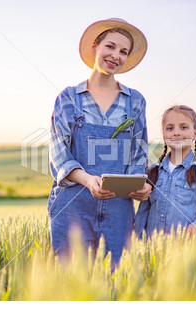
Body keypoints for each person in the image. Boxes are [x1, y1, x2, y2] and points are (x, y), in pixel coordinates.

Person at [48, 18, 152, 264]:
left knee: (116, 282)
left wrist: (140, 185)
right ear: (95, 47)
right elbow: (59, 153)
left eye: (123, 51)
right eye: (110, 46)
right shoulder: (68, 97)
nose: (116, 55)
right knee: (71, 283)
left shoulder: (135, 101)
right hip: (73, 203)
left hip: (119, 207)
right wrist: (88, 180)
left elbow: (139, 153)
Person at [134, 105, 196, 238]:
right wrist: (136, 245)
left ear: (195, 134)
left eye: (183, 127)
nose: (176, 132)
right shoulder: (152, 172)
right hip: (152, 252)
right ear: (164, 135)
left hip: (183, 251)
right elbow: (142, 215)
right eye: (170, 128)